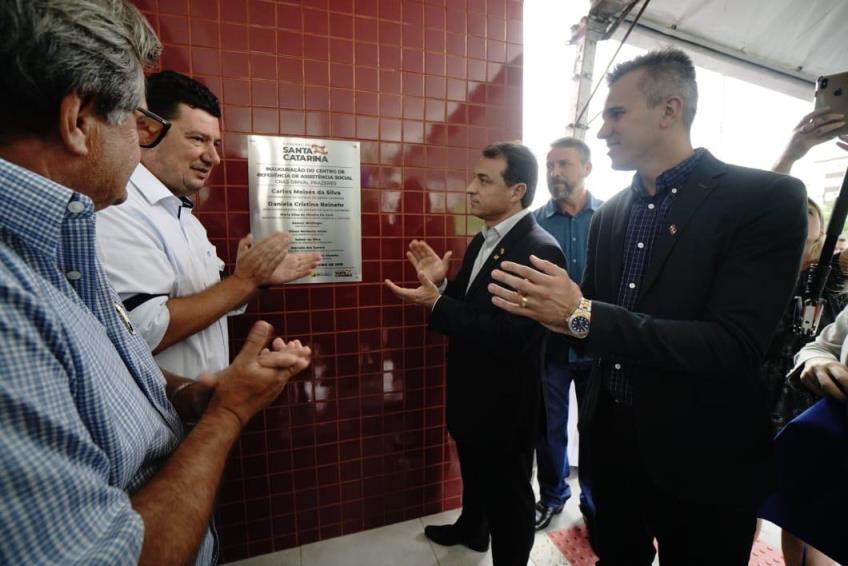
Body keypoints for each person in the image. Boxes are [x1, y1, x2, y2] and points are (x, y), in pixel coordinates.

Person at [0, 2, 311, 564]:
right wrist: (228, 410)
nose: (213, 157)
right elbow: (148, 325)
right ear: (78, 121)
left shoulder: (148, 218)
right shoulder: (106, 212)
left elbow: (111, 355)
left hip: (180, 447)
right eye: (138, 122)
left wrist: (194, 394)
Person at [488, 48, 807, 564]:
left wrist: (580, 314)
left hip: (702, 458)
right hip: (613, 450)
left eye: (616, 113)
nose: (603, 130)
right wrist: (543, 309)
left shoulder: (763, 200)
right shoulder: (612, 213)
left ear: (668, 110)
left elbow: (733, 345)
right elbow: (588, 320)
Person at [384, 143, 565, 565]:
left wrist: (437, 303)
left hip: (506, 402)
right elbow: (472, 309)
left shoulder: (537, 249)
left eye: (484, 180)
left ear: (517, 191)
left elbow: (512, 336)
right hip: (473, 390)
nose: (470, 189)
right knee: (476, 473)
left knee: (510, 497)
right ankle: (472, 529)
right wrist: (444, 286)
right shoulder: (485, 238)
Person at [96, 70, 320, 378]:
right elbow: (144, 330)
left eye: (216, 143)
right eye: (198, 139)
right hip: (162, 407)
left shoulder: (182, 215)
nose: (214, 157)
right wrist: (244, 282)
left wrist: (257, 280)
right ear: (147, 130)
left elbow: (212, 299)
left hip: (201, 403)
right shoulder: (118, 208)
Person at [764, 108, 848, 566]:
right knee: (757, 496)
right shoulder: (764, 271)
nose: (800, 220)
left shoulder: (833, 274)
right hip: (765, 393)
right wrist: (792, 153)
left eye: (808, 214)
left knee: (802, 516)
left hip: (808, 401)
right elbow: (758, 204)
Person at [531, 137, 602, 531]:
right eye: (550, 165)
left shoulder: (610, 218)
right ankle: (552, 496)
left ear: (586, 168)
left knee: (595, 429)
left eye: (564, 164)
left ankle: (594, 502)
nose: (555, 173)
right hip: (550, 347)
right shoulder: (535, 224)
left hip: (599, 345)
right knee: (549, 428)